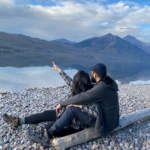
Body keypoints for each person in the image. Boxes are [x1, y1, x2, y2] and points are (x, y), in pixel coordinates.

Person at [2, 62, 99, 146]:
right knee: (45, 114)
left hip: (74, 126)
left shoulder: (90, 96)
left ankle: (43, 138)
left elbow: (96, 113)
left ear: (79, 84)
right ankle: (18, 121)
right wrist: (59, 70)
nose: (73, 84)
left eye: (75, 82)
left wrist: (80, 106)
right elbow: (68, 80)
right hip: (63, 115)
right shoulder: (77, 88)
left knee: (48, 127)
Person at [25, 62, 120, 146]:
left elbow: (84, 102)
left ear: (94, 75)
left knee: (71, 110)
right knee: (56, 119)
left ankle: (46, 136)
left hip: (104, 124)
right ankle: (45, 132)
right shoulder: (105, 82)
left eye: (92, 72)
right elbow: (71, 83)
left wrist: (74, 105)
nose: (91, 74)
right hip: (108, 119)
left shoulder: (99, 89)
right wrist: (59, 70)